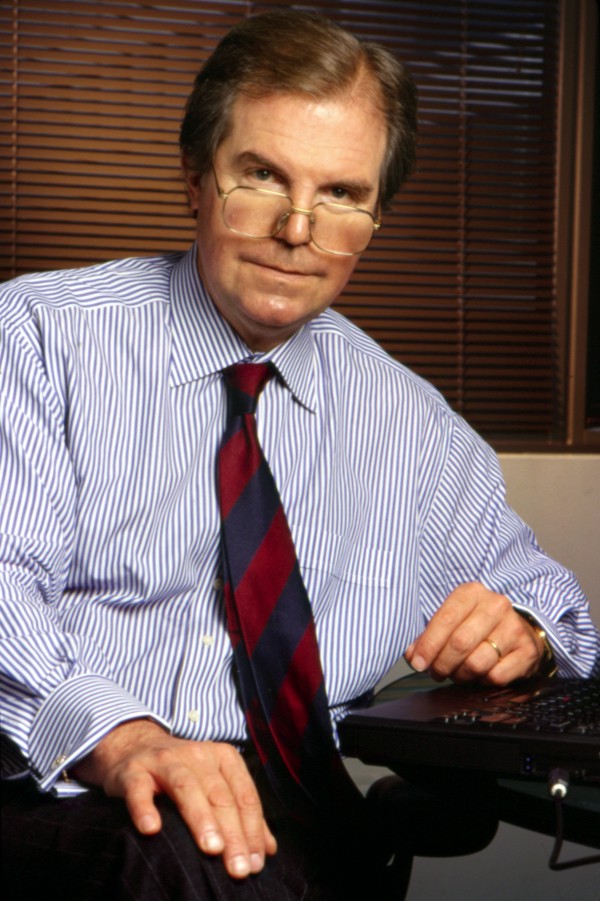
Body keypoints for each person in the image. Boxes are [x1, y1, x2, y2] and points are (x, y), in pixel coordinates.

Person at [1, 9, 598, 901]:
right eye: (262, 175)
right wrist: (124, 739)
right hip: (56, 781)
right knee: (190, 860)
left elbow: (564, 619)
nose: (297, 227)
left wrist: (527, 637)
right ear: (196, 179)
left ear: (376, 218)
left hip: (299, 809)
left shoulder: (413, 425)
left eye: (342, 194)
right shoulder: (38, 338)